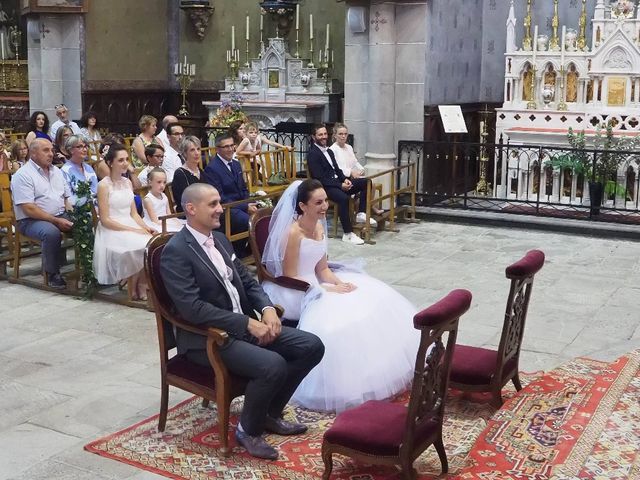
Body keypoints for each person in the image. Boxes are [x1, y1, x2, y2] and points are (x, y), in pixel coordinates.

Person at [160, 182, 324, 460]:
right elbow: (192, 309)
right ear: (191, 208)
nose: (219, 209)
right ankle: (248, 430)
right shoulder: (176, 251)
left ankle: (269, 413)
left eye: (218, 202)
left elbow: (247, 281)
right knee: (273, 365)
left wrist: (268, 309)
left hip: (241, 327)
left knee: (312, 345)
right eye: (212, 204)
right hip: (208, 339)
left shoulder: (220, 239)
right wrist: (246, 323)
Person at [261, 179, 420, 412]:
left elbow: (322, 269)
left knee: (367, 297)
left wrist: (339, 283)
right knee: (336, 319)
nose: (325, 206)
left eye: (325, 200)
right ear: (303, 206)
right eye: (318, 202)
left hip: (317, 282)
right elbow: (291, 275)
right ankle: (330, 383)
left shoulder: (319, 225)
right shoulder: (292, 233)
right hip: (294, 289)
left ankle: (370, 373)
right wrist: (325, 289)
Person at [93, 143, 156, 300]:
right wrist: (133, 230)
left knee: (152, 242)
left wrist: (145, 227)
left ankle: (141, 283)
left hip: (129, 221)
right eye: (120, 160)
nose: (125, 163)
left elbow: (134, 213)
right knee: (136, 245)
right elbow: (105, 219)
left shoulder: (127, 183)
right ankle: (133, 284)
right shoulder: (103, 185)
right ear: (110, 162)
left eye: (127, 159)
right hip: (112, 228)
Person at [10, 139, 73, 289]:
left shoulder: (57, 171)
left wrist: (72, 214)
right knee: (51, 233)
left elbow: (66, 198)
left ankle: (89, 268)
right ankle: (52, 274)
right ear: (33, 153)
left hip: (59, 214)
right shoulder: (23, 175)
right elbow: (28, 208)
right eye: (46, 150)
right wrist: (56, 221)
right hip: (30, 221)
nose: (51, 154)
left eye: (51, 150)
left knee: (86, 224)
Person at [307, 123, 376, 246]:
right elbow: (320, 178)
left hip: (338, 183)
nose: (323, 137)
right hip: (325, 187)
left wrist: (344, 180)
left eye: (325, 134)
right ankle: (348, 234)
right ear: (314, 137)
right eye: (320, 134)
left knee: (366, 182)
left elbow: (337, 170)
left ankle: (361, 213)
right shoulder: (313, 154)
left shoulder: (329, 151)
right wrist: (340, 186)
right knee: (343, 198)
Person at [203, 132, 255, 256]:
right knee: (250, 222)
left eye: (232, 145)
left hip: (241, 205)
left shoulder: (236, 164)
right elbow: (220, 198)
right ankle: (241, 253)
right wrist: (245, 207)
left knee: (263, 215)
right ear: (218, 149)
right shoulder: (212, 169)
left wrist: (249, 203)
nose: (231, 149)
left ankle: (246, 252)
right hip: (226, 209)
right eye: (226, 146)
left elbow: (243, 189)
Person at [330, 123, 384, 216]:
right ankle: (363, 211)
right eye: (340, 134)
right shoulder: (332, 149)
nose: (343, 136)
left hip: (352, 176)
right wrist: (351, 172)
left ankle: (365, 209)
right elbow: (336, 168)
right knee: (367, 182)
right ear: (335, 135)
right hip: (342, 180)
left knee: (370, 184)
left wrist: (361, 169)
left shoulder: (349, 147)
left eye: (345, 134)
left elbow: (354, 162)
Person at [60, 135, 98, 206]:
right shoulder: (65, 170)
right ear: (71, 150)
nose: (85, 150)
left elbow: (96, 191)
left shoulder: (88, 168)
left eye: (85, 146)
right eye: (80, 147)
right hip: (79, 210)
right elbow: (69, 198)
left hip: (96, 205)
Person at [142, 168, 183, 232]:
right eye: (159, 182)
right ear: (150, 182)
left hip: (166, 220)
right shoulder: (148, 200)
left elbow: (169, 214)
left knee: (181, 227)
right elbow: (154, 221)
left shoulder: (164, 196)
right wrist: (170, 225)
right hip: (155, 224)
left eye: (164, 182)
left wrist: (175, 221)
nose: (162, 185)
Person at [171, 135, 204, 213]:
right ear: (185, 153)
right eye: (192, 150)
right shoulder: (180, 174)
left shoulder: (201, 171)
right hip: (189, 213)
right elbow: (183, 201)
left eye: (198, 149)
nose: (197, 153)